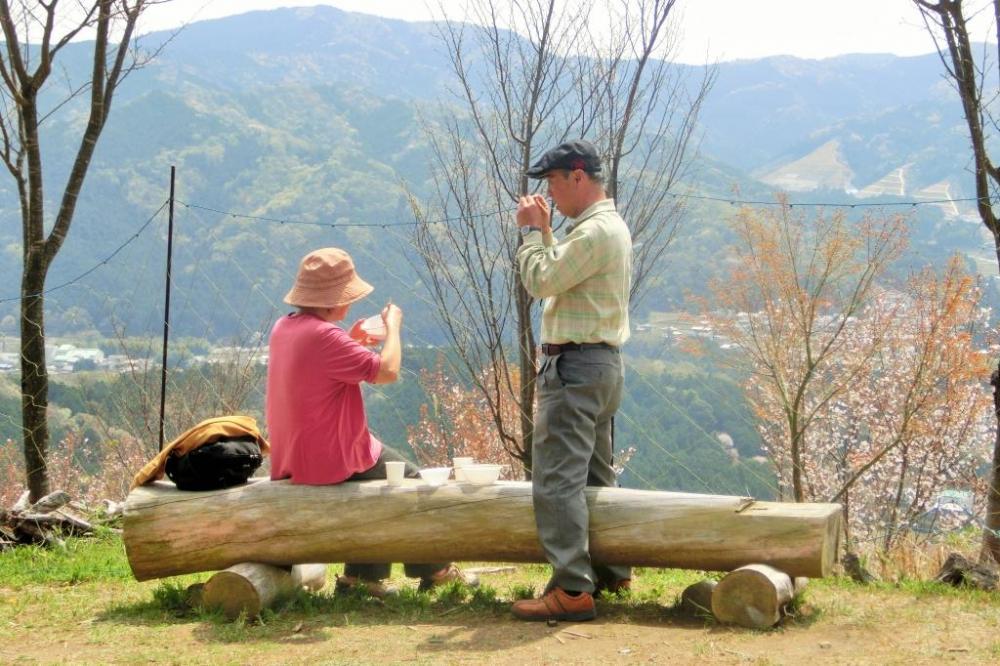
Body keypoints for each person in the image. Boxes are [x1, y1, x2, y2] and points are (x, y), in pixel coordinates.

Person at [266, 247, 477, 597]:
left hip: (293, 453)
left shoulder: (284, 328)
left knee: (383, 472)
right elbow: (388, 371)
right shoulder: (325, 337)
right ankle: (434, 571)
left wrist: (352, 341)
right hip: (329, 458)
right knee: (409, 480)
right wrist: (393, 329)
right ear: (334, 301)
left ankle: (363, 578)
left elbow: (319, 367)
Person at [510, 139, 632, 622]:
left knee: (557, 481)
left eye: (554, 183)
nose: (552, 195)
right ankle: (610, 571)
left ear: (577, 176)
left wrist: (531, 235)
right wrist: (547, 232)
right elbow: (565, 275)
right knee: (594, 476)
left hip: (575, 368)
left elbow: (541, 280)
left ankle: (572, 589)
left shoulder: (595, 232)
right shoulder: (603, 229)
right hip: (600, 366)